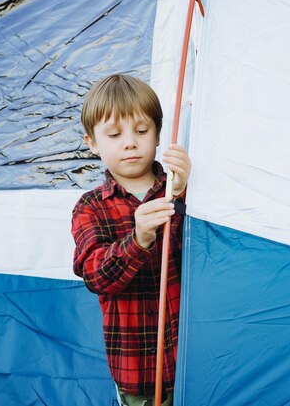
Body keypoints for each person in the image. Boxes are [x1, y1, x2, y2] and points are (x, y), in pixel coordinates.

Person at [71, 74, 191, 406]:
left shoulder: (182, 188)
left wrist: (181, 195)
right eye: (114, 134)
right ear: (92, 142)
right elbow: (95, 275)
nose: (130, 142)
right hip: (136, 370)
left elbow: (205, 256)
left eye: (141, 131)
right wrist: (137, 239)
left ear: (157, 135)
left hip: (193, 361)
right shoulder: (90, 207)